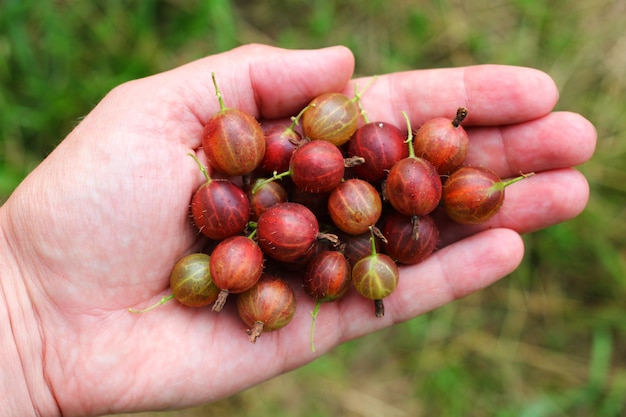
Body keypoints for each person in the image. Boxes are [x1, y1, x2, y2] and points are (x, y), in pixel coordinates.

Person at [0, 44, 596, 416]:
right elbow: (291, 216)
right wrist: (24, 302)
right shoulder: (250, 212)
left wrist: (27, 314)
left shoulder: (360, 208)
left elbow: (350, 218)